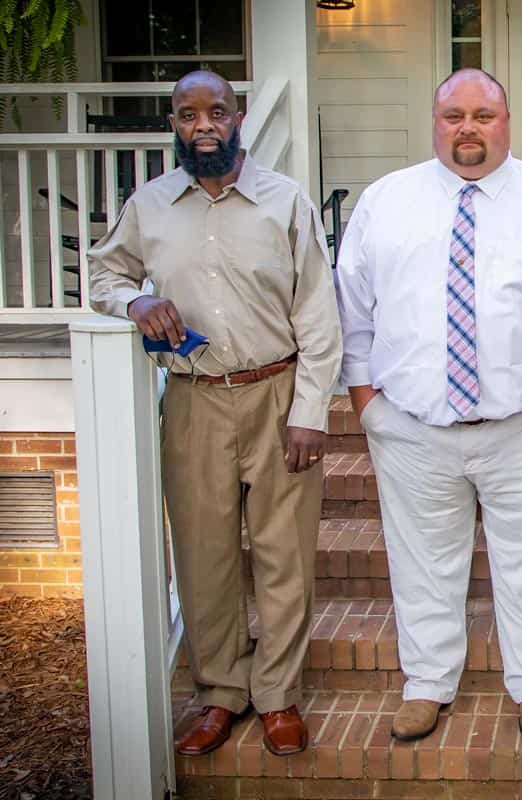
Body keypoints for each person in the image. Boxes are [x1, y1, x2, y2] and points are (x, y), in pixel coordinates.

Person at [334, 68, 522, 743]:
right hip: (410, 426)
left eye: (483, 115)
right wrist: (367, 401)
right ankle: (427, 683)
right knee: (422, 562)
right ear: (435, 122)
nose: (468, 128)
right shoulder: (385, 202)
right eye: (454, 115)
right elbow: (354, 309)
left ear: (506, 121)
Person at [88, 71, 342, 757]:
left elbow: (318, 313)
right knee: (203, 553)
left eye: (216, 112)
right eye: (188, 114)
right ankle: (220, 693)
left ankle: (278, 694)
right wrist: (133, 303)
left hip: (277, 394)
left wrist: (311, 409)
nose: (203, 125)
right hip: (196, 398)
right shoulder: (149, 205)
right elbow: (103, 275)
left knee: (284, 553)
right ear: (174, 123)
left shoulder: (284, 202)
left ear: (239, 117)